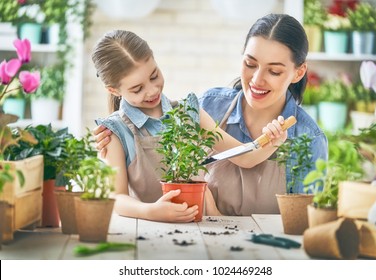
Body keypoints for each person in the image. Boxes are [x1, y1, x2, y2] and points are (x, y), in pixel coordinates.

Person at [94, 14, 328, 216]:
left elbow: (245, 157)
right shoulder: (209, 105)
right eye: (250, 63)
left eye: (274, 71)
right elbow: (116, 197)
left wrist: (272, 142)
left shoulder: (309, 138)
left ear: (298, 72)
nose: (257, 80)